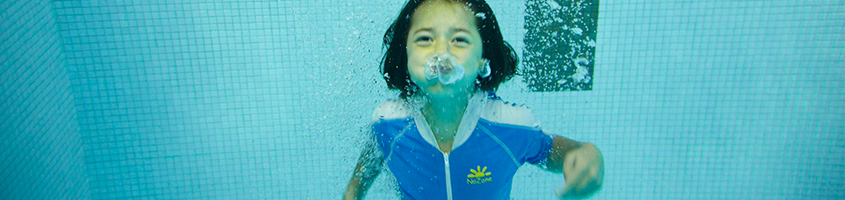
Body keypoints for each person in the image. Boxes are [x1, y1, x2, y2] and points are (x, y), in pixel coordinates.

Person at [343, 0, 604, 199]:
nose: (441, 53)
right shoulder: (388, 122)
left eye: (459, 39)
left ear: (483, 59)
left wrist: (590, 155)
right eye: (425, 39)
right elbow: (367, 166)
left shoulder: (510, 126)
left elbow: (556, 151)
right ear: (406, 54)